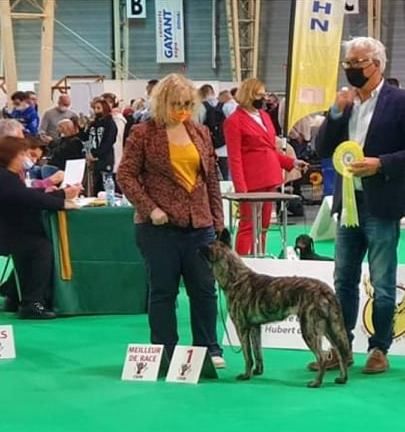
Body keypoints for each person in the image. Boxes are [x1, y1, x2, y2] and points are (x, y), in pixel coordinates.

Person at [118, 73, 225, 368]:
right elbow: (125, 175)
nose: (183, 110)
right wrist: (150, 208)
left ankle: (209, 349)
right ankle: (164, 351)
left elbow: (211, 180)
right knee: (163, 291)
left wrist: (217, 220)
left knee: (204, 290)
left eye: (188, 104)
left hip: (199, 225)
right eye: (177, 104)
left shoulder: (200, 132)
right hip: (158, 228)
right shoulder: (143, 133)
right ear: (162, 103)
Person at [312, 37, 405, 374]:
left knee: (382, 283)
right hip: (347, 206)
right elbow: (323, 148)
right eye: (347, 63)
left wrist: (381, 163)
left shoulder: (399, 101)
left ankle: (379, 348)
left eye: (357, 63)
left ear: (376, 65)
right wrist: (336, 112)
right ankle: (342, 347)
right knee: (343, 280)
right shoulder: (345, 102)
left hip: (382, 205)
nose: (350, 69)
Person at [223, 78, 308, 255]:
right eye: (260, 95)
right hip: (250, 182)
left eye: (264, 94)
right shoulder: (234, 121)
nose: (264, 98)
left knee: (264, 225)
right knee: (248, 225)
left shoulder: (265, 116)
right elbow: (234, 157)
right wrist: (241, 189)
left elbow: (270, 150)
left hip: (270, 178)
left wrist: (292, 162)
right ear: (249, 95)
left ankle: (261, 257)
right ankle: (242, 261)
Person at [0, 137, 80, 318]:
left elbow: (25, 194)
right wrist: (61, 201)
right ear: (10, 156)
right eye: (21, 154)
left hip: (12, 229)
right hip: (9, 232)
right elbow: (25, 198)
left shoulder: (8, 176)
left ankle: (14, 295)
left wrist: (59, 194)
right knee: (41, 248)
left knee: (34, 242)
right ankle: (32, 302)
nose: (25, 158)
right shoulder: (5, 177)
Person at [86, 99, 117, 195]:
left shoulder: (110, 124)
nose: (96, 111)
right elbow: (86, 137)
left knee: (106, 184)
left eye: (98, 108)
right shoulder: (93, 124)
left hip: (105, 158)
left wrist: (96, 154)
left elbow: (109, 142)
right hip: (93, 159)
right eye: (94, 108)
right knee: (96, 185)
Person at [101, 93, 127, 186]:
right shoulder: (105, 119)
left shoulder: (118, 119)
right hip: (106, 158)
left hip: (114, 159)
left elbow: (116, 141)